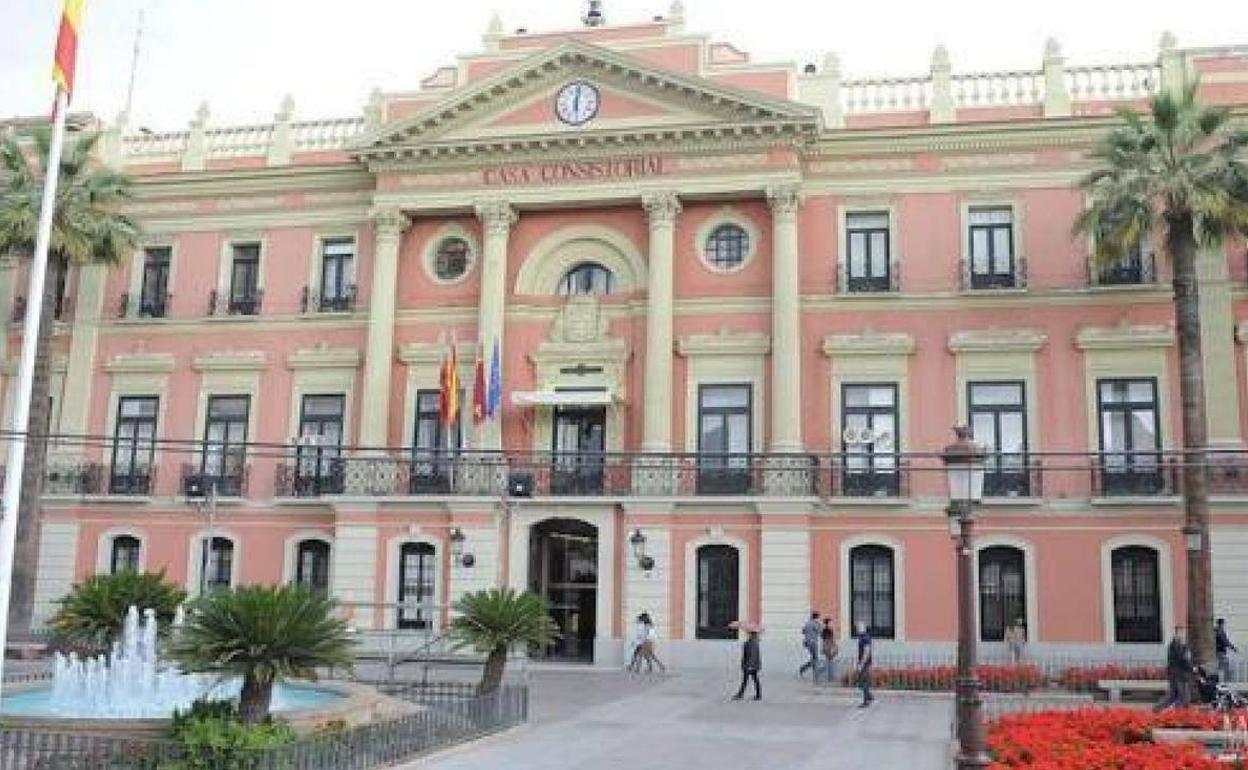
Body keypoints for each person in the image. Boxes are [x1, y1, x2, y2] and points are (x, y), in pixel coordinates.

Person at [1155, 626, 1193, 711]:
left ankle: (1157, 709)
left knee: (1175, 696)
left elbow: (1185, 658)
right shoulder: (1176, 645)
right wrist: (1191, 667)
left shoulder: (1180, 645)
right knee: (1182, 696)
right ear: (1176, 634)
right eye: (1181, 633)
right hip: (1178, 674)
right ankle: (1177, 713)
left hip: (1179, 674)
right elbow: (1183, 658)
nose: (1183, 635)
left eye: (1183, 632)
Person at [733, 629, 762, 701]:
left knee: (746, 680)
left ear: (752, 635)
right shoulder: (751, 642)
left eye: (749, 634)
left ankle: (740, 694)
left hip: (749, 665)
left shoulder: (752, 643)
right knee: (754, 679)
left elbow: (752, 655)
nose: (747, 635)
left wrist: (749, 666)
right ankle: (758, 694)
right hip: (752, 665)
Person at [855, 620, 874, 707]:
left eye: (859, 627)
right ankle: (869, 696)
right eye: (857, 627)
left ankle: (866, 701)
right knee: (861, 681)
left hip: (865, 663)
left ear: (863, 628)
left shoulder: (865, 638)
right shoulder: (862, 637)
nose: (857, 629)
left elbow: (866, 651)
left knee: (863, 682)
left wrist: (861, 663)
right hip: (864, 662)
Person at [797, 611, 822, 678]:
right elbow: (820, 631)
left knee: (814, 658)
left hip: (807, 642)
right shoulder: (815, 623)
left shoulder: (807, 623)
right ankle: (804, 668)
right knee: (815, 658)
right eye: (818, 617)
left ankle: (813, 671)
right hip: (813, 642)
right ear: (816, 617)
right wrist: (819, 625)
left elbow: (803, 631)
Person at [1216, 618, 1238, 684]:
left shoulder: (1216, 631)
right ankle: (1226, 682)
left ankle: (1221, 681)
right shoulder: (1220, 632)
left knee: (1221, 667)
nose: (1224, 625)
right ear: (1222, 624)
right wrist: (1233, 648)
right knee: (1225, 667)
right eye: (1224, 624)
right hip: (1221, 652)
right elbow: (1225, 642)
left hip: (1219, 652)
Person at [818, 617, 839, 684]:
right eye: (829, 622)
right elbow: (830, 638)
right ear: (828, 623)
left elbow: (823, 637)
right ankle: (827, 676)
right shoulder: (828, 629)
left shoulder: (824, 630)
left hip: (826, 645)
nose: (830, 623)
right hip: (828, 645)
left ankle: (830, 677)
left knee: (829, 662)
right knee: (829, 663)